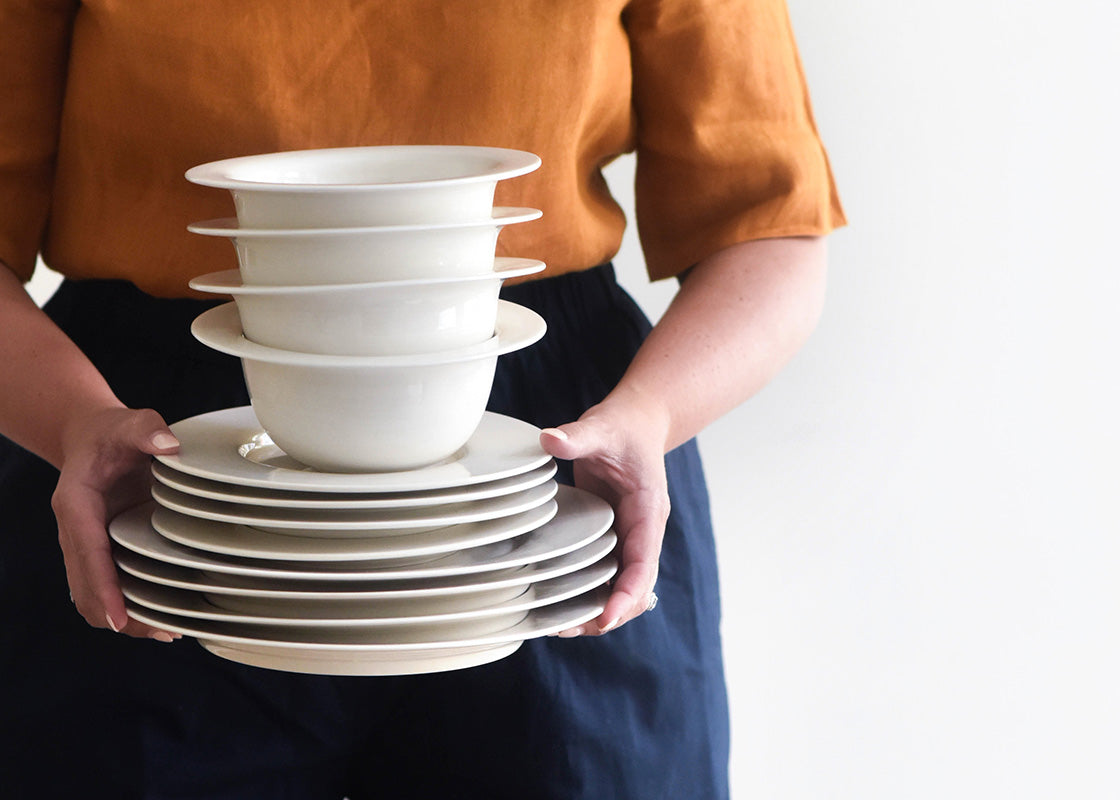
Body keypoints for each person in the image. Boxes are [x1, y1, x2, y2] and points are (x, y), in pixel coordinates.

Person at [0, 0, 844, 797]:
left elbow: (766, 222)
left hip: (561, 452)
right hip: (142, 451)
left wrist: (648, 415)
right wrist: (78, 422)